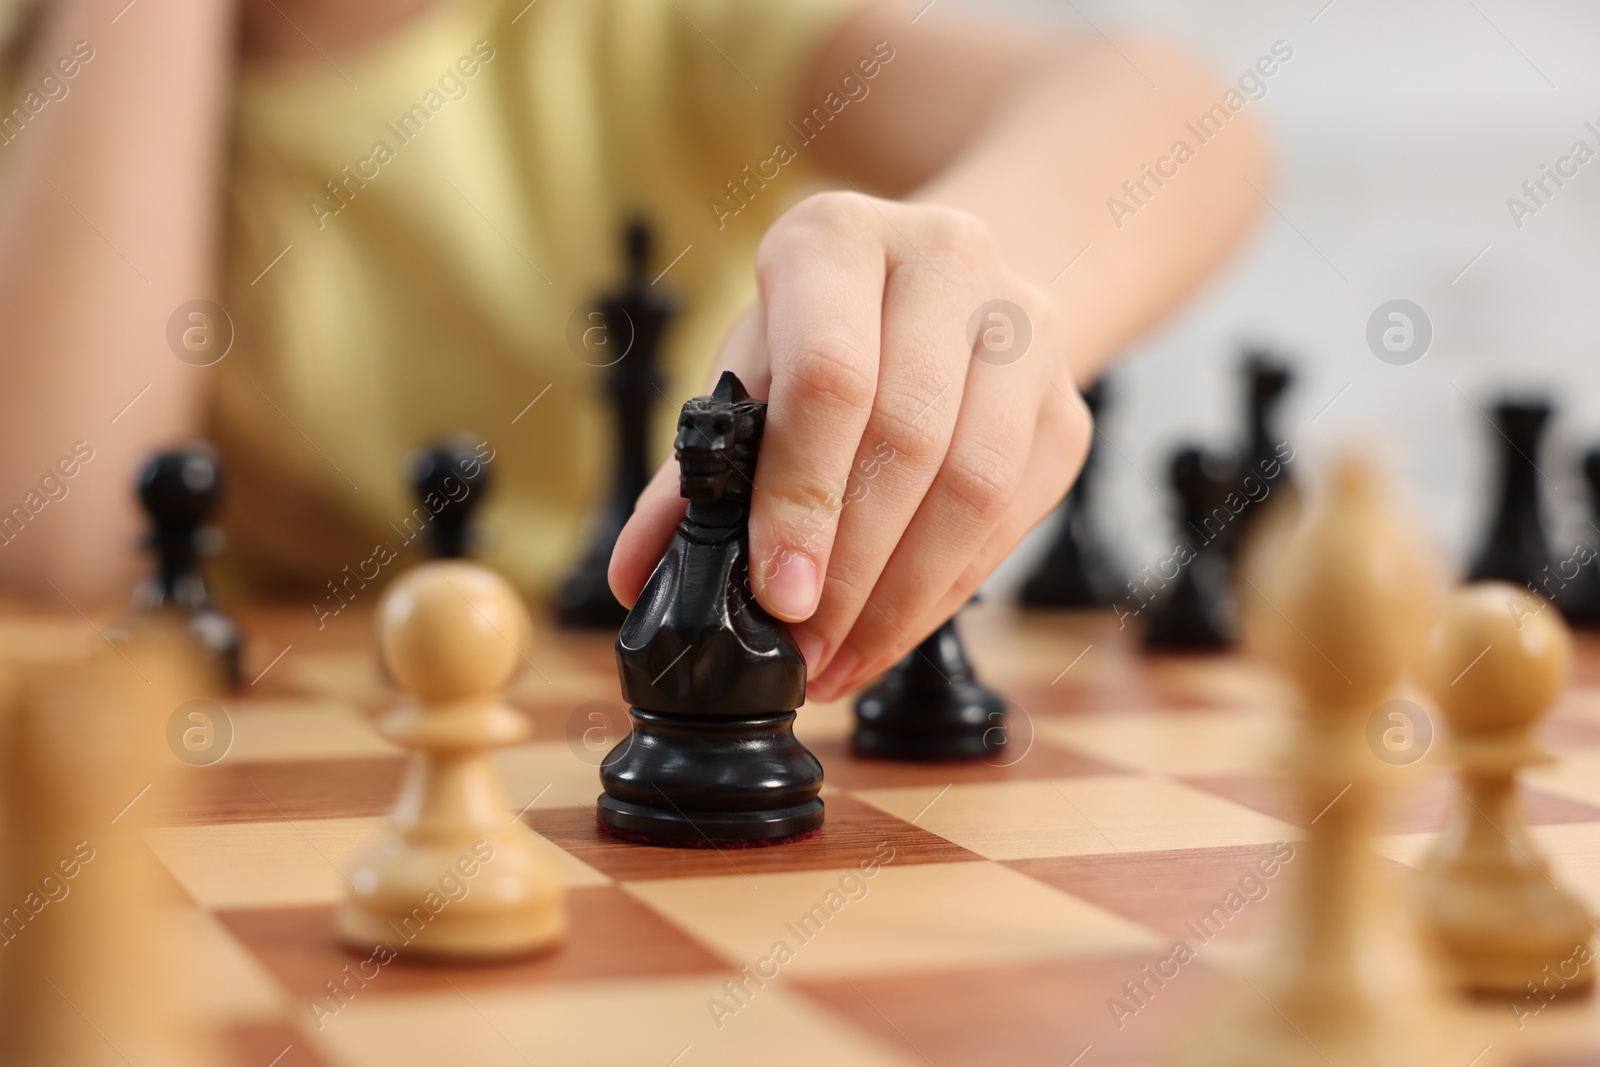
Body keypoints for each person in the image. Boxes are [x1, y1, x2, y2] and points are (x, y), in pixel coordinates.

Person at [0, 0, 1265, 700]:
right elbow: (53, 548)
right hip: (214, 777)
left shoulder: (652, 25)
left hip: (586, 703)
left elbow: (1178, 115)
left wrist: (990, 275)